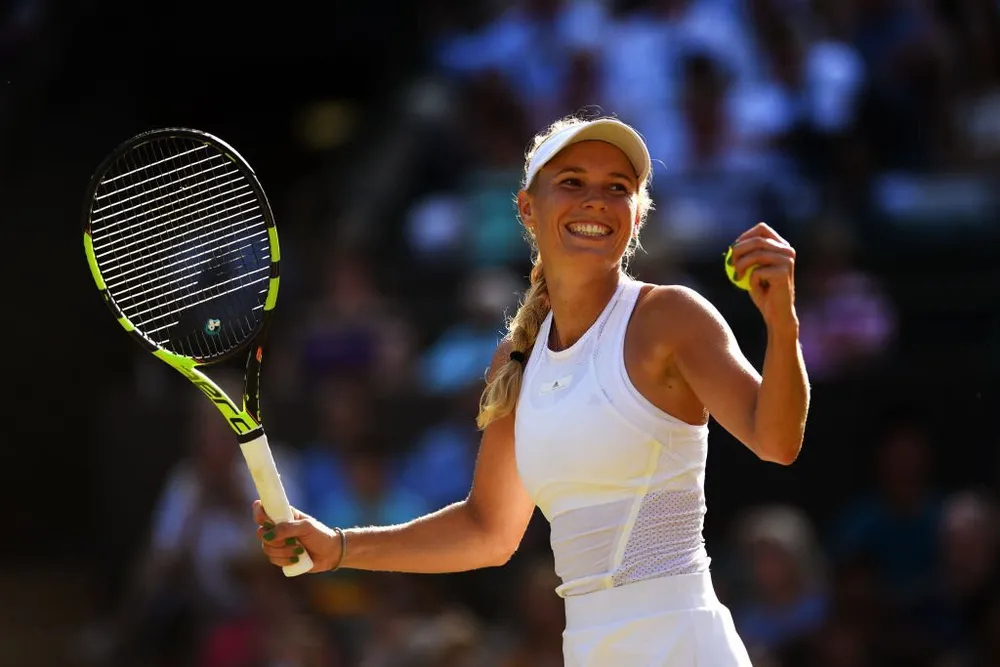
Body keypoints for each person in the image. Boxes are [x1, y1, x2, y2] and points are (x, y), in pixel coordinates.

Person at [253, 115, 811, 666]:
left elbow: (776, 439)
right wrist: (342, 547)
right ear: (526, 207)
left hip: (686, 646)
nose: (595, 200)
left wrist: (782, 323)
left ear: (636, 216)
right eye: (572, 182)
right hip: (589, 652)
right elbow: (488, 531)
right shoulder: (514, 361)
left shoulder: (670, 316)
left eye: (617, 189)